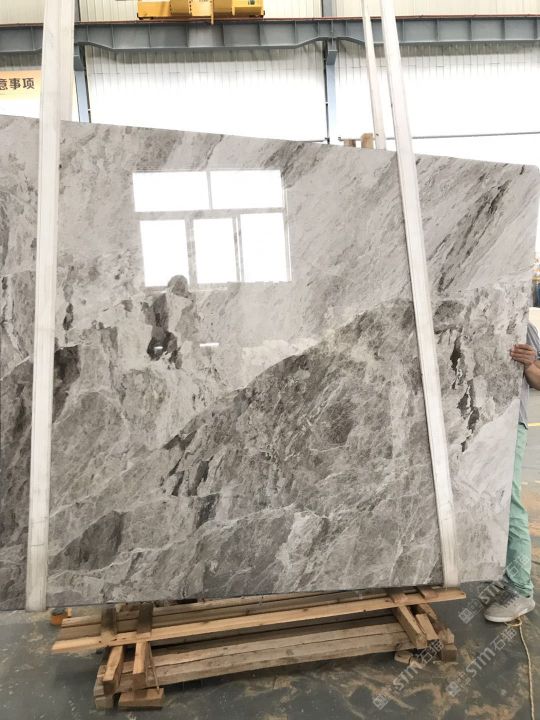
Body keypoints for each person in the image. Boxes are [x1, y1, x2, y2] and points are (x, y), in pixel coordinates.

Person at [484, 322, 540, 622]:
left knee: (508, 502)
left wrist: (529, 364)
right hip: (465, 423)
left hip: (507, 422)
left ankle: (520, 589)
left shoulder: (520, 320)